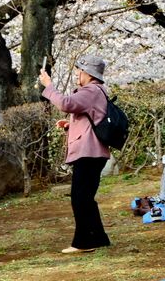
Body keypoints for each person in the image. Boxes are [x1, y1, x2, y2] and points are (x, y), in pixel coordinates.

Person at [39, 56, 112, 254]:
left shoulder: (91, 90)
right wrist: (70, 126)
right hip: (93, 151)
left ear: (89, 74)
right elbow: (90, 118)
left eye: (80, 70)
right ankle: (98, 238)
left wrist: (49, 86)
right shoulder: (96, 92)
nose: (77, 74)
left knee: (80, 198)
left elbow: (65, 104)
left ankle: (84, 242)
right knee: (85, 197)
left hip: (89, 152)